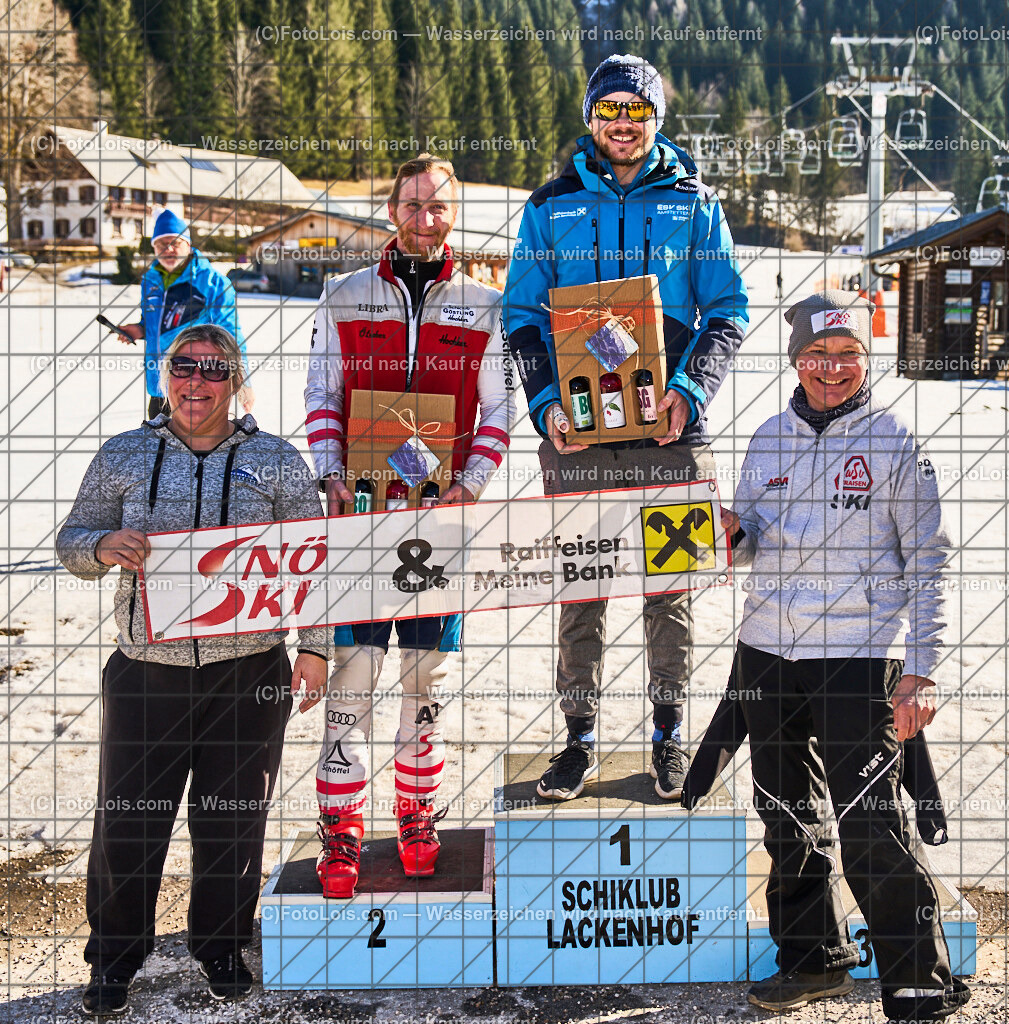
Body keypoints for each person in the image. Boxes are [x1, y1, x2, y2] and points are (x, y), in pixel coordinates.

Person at [56, 324, 330, 1014]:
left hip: (250, 672)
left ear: (233, 380)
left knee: (231, 821)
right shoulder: (123, 453)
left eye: (212, 371)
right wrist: (102, 544)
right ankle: (114, 958)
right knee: (128, 821)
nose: (196, 384)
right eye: (183, 369)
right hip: (146, 670)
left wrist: (316, 647)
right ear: (163, 375)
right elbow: (70, 540)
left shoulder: (275, 460)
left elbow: (319, 560)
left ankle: (219, 944)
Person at [503, 53, 748, 802]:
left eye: (634, 111)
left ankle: (669, 734)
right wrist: (546, 405)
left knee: (667, 585)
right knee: (581, 585)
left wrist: (688, 390)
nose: (621, 123)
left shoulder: (693, 202)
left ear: (654, 119)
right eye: (608, 109)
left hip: (667, 427)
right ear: (589, 118)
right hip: (578, 431)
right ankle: (577, 740)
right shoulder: (548, 205)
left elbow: (727, 311)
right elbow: (519, 315)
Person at [721, 291, 970, 1022]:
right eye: (816, 356)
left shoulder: (893, 440)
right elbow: (750, 537)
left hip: (857, 660)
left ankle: (916, 975)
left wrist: (921, 671)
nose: (832, 369)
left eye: (846, 355)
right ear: (795, 360)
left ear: (866, 359)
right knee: (784, 815)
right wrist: (733, 533)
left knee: (870, 823)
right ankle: (811, 960)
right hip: (765, 652)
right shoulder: (767, 434)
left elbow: (930, 559)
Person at [302, 154, 514, 896]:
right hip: (358, 522)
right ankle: (341, 831)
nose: (425, 218)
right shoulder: (344, 294)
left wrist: (470, 483)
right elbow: (322, 395)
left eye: (439, 207)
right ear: (391, 208)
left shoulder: (483, 304)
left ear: (453, 214)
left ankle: (416, 815)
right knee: (351, 680)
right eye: (413, 204)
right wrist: (329, 470)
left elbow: (498, 411)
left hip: (439, 529)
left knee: (425, 683)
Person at [114, 210, 247, 418]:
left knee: (198, 449)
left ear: (188, 244)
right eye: (160, 244)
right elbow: (155, 324)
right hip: (158, 388)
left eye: (174, 243)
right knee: (160, 449)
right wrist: (139, 329)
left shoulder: (214, 284)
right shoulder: (151, 281)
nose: (168, 249)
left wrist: (243, 380)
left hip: (197, 387)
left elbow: (231, 336)